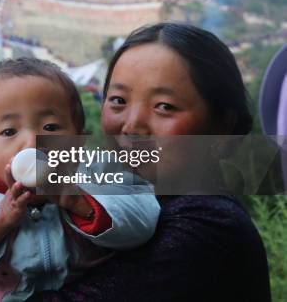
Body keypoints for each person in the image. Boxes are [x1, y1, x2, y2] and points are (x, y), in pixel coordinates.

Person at [33, 22, 271, 302]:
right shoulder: (116, 202)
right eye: (118, 100)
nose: (132, 126)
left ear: (220, 128)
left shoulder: (208, 225)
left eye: (164, 106)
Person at [0, 58, 160, 302]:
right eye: (9, 131)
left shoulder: (96, 170)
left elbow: (144, 216)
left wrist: (80, 203)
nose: (33, 142)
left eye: (51, 126)